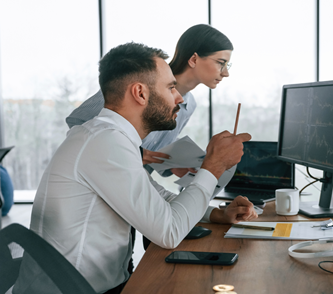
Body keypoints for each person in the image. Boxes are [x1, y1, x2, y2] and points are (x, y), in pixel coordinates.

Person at [15, 42, 255, 294]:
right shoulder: (105, 142)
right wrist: (213, 166)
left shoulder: (110, 137)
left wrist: (217, 214)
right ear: (140, 93)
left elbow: (158, 197)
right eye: (170, 87)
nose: (179, 98)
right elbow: (169, 232)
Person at [66, 24, 233, 178]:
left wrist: (173, 164)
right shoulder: (143, 79)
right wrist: (135, 152)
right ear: (194, 60)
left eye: (227, 65)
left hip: (135, 186)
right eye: (221, 63)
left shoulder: (189, 106)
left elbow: (155, 149)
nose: (226, 73)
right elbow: (78, 121)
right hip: (99, 179)